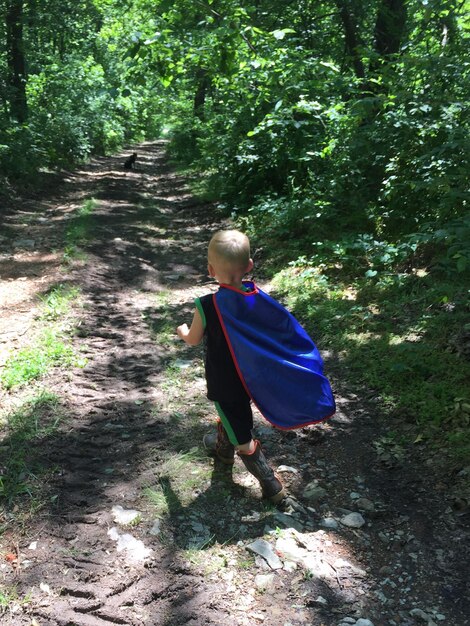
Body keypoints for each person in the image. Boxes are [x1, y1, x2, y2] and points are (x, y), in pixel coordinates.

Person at [177, 230, 335, 504]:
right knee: (232, 415)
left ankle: (271, 486)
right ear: (249, 266)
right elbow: (280, 330)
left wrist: (181, 330)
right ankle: (221, 451)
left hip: (225, 382)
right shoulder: (257, 298)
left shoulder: (207, 305)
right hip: (254, 378)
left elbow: (192, 339)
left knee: (241, 432)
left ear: (210, 269)